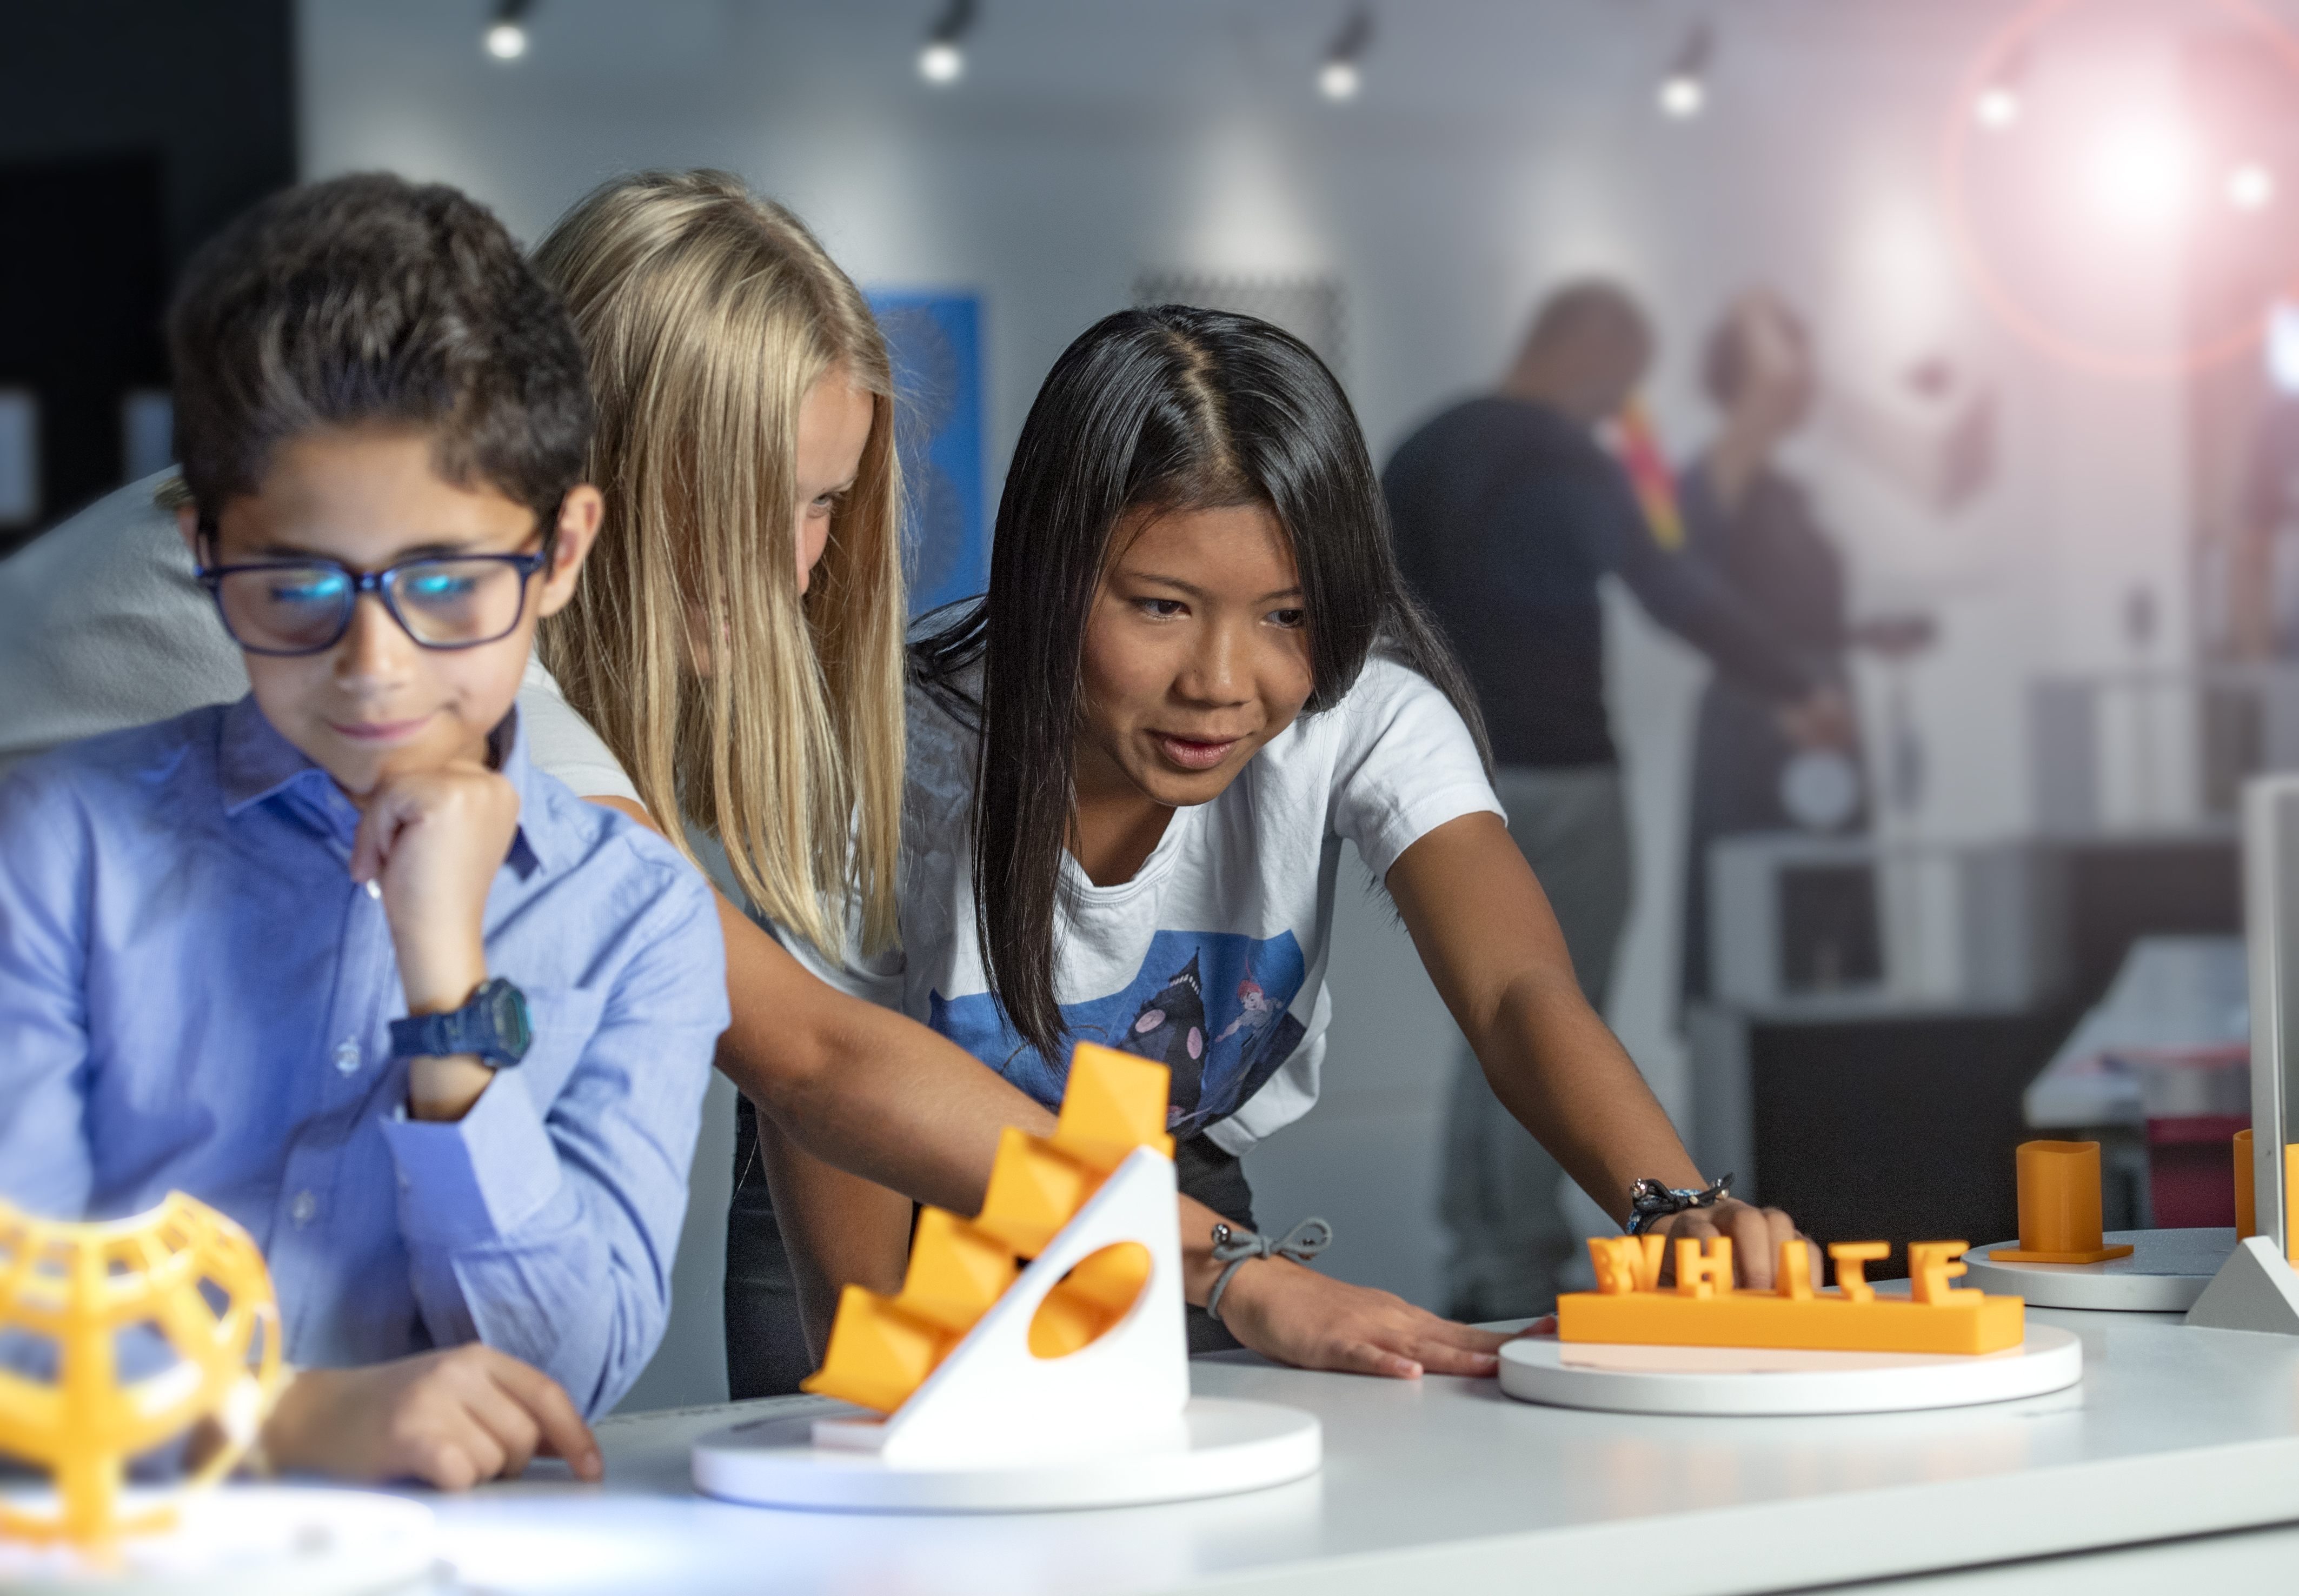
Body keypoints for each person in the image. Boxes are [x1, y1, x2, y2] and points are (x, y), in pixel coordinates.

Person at [0, 170, 1580, 1399]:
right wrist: (1235, 1276)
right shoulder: (411, 623)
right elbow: (818, 1053)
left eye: (829, 503)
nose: (803, 562)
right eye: (770, 501)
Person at [792, 303, 1803, 1372]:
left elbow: (1514, 992)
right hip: (880, 1183)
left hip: (1159, 1188)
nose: (1221, 685)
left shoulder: (1362, 711)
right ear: (1050, 567)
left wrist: (1670, 1204)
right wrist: (882, 1390)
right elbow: (830, 1076)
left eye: (1285, 616)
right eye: (1160, 607)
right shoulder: (891, 757)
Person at [0, 175, 730, 1488]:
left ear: (562, 550)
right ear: (203, 545)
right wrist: (287, 1423)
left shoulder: (636, 915)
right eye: (293, 587)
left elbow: (564, 1373)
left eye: (448, 583)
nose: (374, 667)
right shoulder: (58, 849)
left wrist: (446, 981)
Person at [1382, 279, 1851, 1324]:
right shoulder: (1571, 458)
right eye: (1622, 385)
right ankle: (1513, 1255)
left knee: (1489, 1015)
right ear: (1592, 355)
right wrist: (1796, 688)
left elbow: (1361, 607)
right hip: (1563, 776)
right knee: (1549, 1007)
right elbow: (1670, 585)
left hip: (1435, 781)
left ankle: (1481, 1242)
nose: (1619, 410)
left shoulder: (1419, 452)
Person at [1676, 291, 1931, 1005]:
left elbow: (1785, 604)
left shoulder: (1786, 489)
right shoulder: (1713, 477)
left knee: (1835, 927)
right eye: (1798, 370)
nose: (1809, 384)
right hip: (1763, 727)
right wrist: (1758, 319)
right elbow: (1721, 601)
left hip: (1822, 716)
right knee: (1764, 936)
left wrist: (1859, 638)